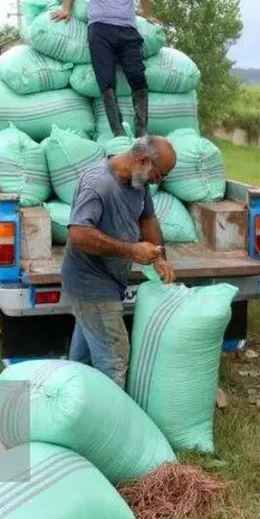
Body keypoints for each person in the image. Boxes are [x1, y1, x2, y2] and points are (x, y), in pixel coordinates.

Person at [62, 136, 178, 388]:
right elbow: (78, 233)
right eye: (160, 174)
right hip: (90, 283)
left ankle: (72, 407)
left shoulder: (138, 181)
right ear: (144, 161)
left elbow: (148, 220)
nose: (160, 181)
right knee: (114, 360)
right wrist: (131, 251)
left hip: (109, 280)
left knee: (82, 359)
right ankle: (109, 423)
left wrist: (160, 257)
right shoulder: (99, 184)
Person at [51, 0, 160, 139]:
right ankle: (118, 131)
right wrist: (66, 8)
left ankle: (141, 132)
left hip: (127, 30)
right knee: (106, 79)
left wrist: (147, 16)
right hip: (100, 29)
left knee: (137, 75)